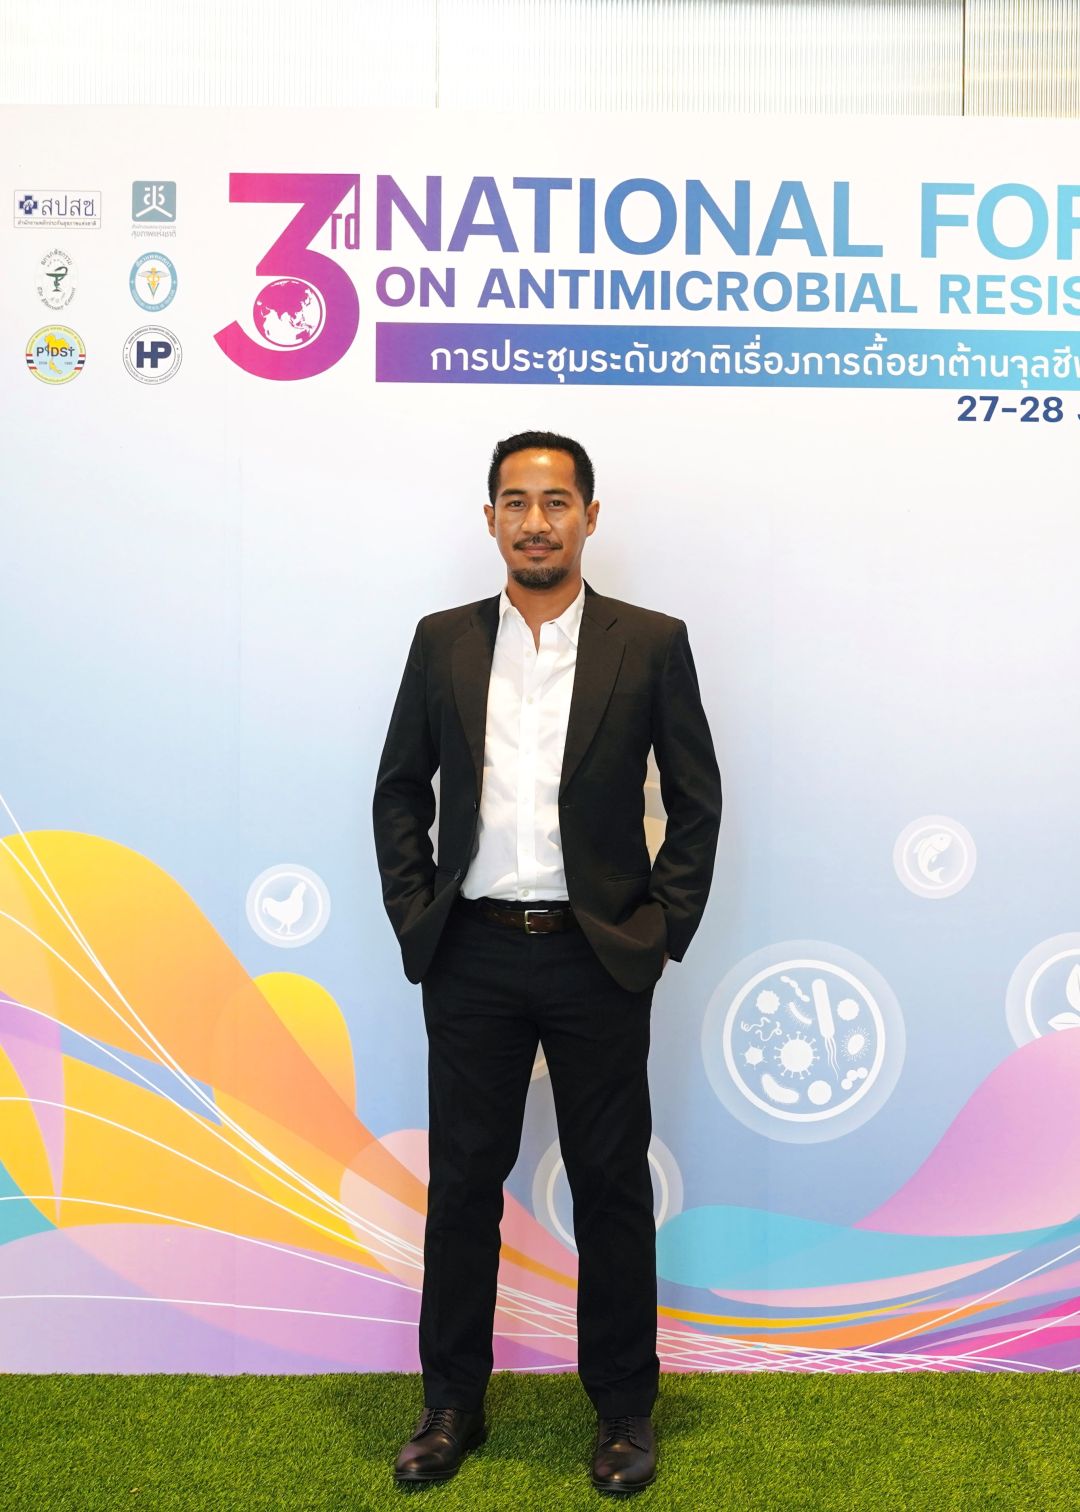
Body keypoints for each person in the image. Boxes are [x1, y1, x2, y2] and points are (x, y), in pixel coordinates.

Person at [372, 431, 722, 1494]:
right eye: (516, 502)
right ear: (490, 519)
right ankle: (450, 1405)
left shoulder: (649, 642)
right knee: (461, 1187)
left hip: (596, 956)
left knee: (610, 1187)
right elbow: (400, 791)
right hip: (472, 952)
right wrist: (418, 915)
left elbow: (697, 802)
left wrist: (658, 929)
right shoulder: (442, 641)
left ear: (589, 517)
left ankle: (622, 1412)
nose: (536, 521)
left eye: (556, 501)